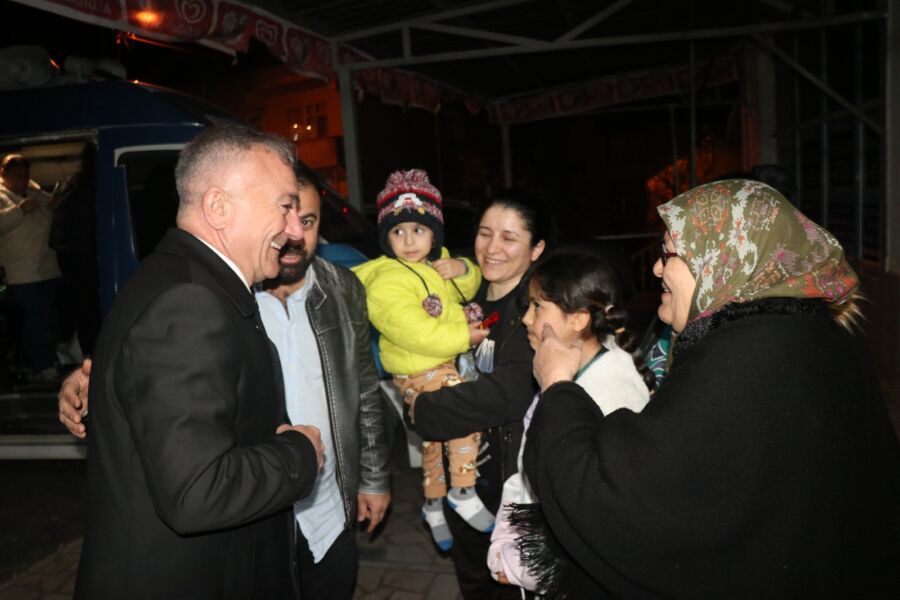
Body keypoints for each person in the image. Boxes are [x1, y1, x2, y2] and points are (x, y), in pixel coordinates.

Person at [525, 179, 900, 598]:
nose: (656, 269)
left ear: (721, 257)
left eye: (670, 254)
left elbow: (619, 500)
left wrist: (557, 383)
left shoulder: (741, 358)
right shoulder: (817, 336)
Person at [58, 161, 391, 600]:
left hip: (326, 507)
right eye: (285, 212)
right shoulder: (224, 290)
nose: (295, 233)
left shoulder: (343, 289)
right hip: (255, 512)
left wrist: (373, 478)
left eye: (308, 220)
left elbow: (365, 388)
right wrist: (94, 378)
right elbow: (162, 358)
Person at [405, 192, 551, 600]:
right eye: (485, 234)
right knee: (473, 585)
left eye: (509, 237)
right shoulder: (459, 300)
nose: (492, 248)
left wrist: (421, 409)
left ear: (536, 249)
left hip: (509, 491)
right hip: (462, 483)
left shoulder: (536, 311)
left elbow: (509, 393)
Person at [487, 246, 653, 597]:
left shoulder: (608, 393)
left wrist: (522, 566)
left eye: (537, 307)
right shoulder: (571, 367)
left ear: (578, 319)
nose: (526, 319)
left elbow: (592, 517)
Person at [352, 169, 490, 550]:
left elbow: (469, 286)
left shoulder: (436, 264)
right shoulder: (386, 281)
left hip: (441, 364)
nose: (409, 240)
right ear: (386, 238)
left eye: (419, 230)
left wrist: (462, 268)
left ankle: (432, 503)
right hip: (418, 370)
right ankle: (463, 491)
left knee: (436, 440)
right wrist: (464, 336)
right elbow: (415, 333)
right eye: (398, 231)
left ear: (434, 234)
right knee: (464, 409)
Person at [0, 153, 61, 380]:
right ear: (3, 173)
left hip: (46, 267)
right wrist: (19, 211)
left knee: (45, 318)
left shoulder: (35, 193)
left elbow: (51, 209)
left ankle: (35, 362)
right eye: (16, 174)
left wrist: (53, 204)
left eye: (25, 175)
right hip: (20, 273)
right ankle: (43, 365)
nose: (22, 179)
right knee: (35, 318)